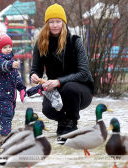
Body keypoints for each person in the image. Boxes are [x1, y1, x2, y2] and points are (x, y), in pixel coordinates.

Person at [29, 3, 94, 137]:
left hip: (81, 91)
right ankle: (63, 121)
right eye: (51, 22)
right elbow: (36, 69)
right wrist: (34, 75)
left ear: (63, 23)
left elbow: (84, 73)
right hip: (55, 90)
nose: (55, 25)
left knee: (69, 88)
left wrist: (58, 81)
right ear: (46, 24)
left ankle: (72, 122)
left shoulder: (75, 41)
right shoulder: (41, 43)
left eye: (58, 21)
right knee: (48, 110)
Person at [0, 22, 26, 136]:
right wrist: (10, 65)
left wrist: (21, 88)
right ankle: (4, 136)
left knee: (7, 115)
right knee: (6, 116)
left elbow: (16, 77)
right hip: (0, 95)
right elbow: (3, 66)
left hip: (9, 95)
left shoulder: (11, 60)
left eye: (10, 46)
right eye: (5, 47)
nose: (8, 49)